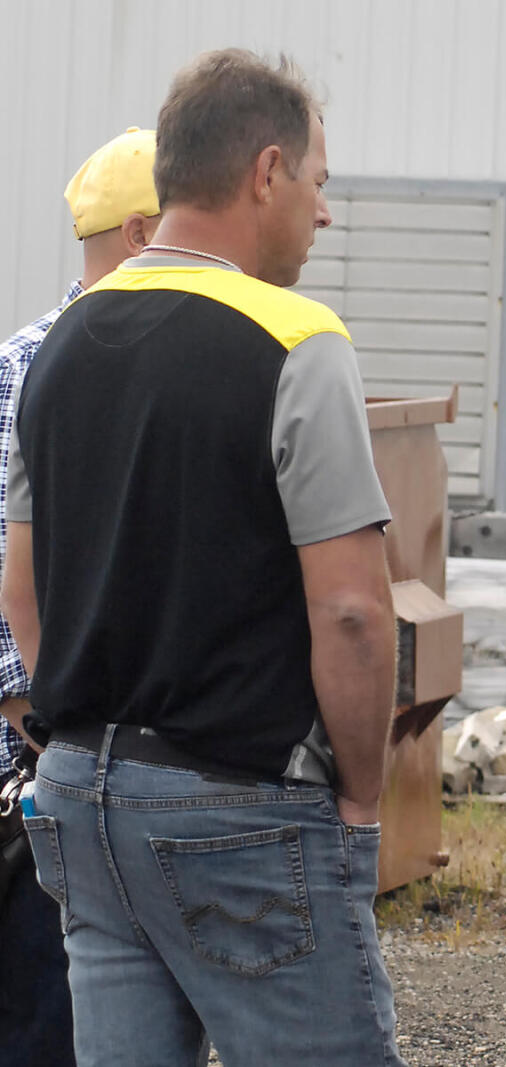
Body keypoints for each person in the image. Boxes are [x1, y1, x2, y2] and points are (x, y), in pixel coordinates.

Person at [0, 50, 404, 1066]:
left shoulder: (59, 345)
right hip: (241, 796)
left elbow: (21, 581)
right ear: (265, 170)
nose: (323, 214)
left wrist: (62, 732)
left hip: (86, 796)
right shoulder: (297, 339)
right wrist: (361, 791)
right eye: (318, 183)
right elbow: (353, 609)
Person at [0, 125, 162, 1067]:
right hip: (41, 764)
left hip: (119, 756)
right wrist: (30, 707)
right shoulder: (29, 367)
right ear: (145, 233)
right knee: (45, 1020)